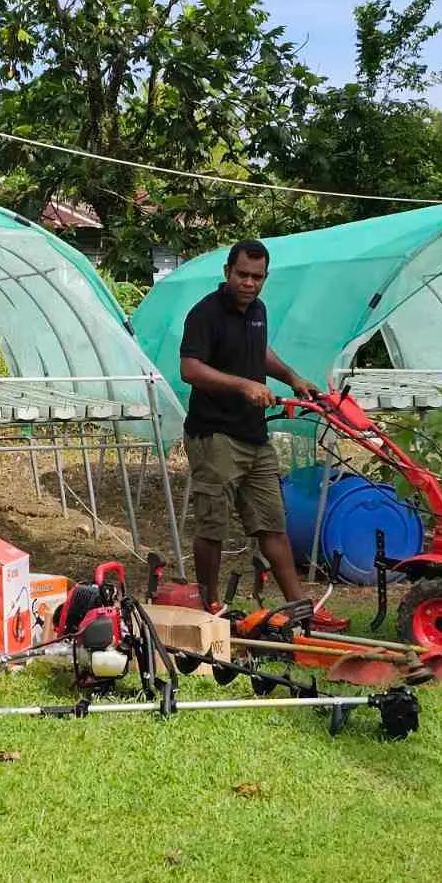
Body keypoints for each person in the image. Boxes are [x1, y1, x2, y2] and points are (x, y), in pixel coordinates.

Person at [178, 240, 348, 630]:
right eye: (242, 275)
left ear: (265, 278)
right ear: (227, 272)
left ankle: (302, 610)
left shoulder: (258, 311)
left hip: (254, 438)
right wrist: (243, 386)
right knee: (212, 526)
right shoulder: (204, 313)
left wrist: (291, 376)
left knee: (273, 527)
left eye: (257, 277)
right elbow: (190, 368)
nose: (249, 283)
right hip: (215, 436)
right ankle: (211, 608)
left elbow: (260, 353)